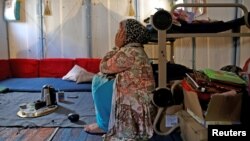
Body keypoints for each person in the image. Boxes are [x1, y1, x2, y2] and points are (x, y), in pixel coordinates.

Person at [84, 19, 156, 141]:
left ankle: (104, 125)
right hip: (142, 100)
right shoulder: (135, 49)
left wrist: (116, 47)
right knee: (102, 79)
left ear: (128, 34)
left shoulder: (129, 52)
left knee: (98, 81)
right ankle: (105, 122)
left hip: (137, 103)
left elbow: (104, 67)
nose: (117, 33)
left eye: (120, 30)